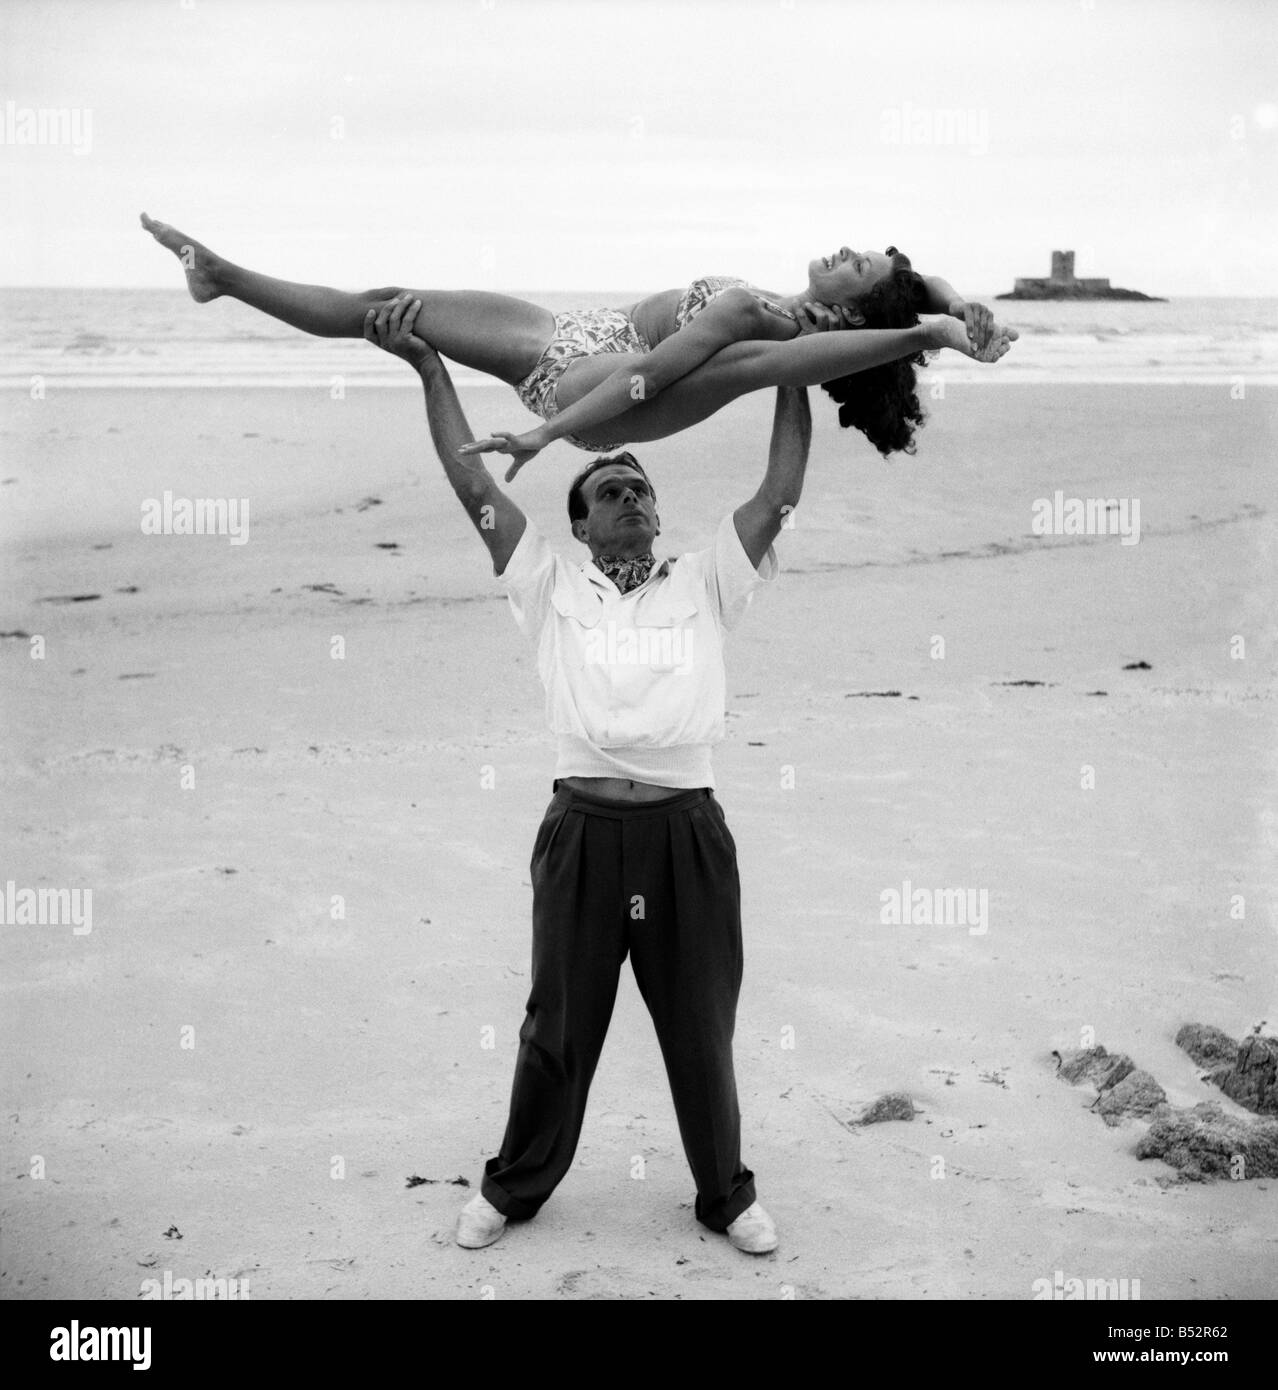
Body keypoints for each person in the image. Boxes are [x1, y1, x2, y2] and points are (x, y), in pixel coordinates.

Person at [362, 292, 813, 1253]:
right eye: (609, 488)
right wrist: (431, 371)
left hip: (686, 834)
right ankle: (515, 1188)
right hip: (581, 836)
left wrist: (793, 374)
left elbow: (778, 492)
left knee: (701, 1025)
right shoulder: (548, 584)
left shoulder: (704, 577)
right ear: (578, 522)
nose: (630, 496)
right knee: (556, 1025)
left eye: (641, 487)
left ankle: (726, 1195)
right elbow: (469, 484)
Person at [140, 214, 1016, 476]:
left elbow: (646, 376)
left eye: (854, 261)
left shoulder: (767, 328)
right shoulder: (794, 309)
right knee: (389, 303)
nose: (840, 247)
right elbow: (913, 278)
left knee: (396, 316)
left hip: (593, 382)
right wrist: (960, 308)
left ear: (863, 309)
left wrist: (545, 435)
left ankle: (226, 280)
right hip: (579, 336)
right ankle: (224, 279)